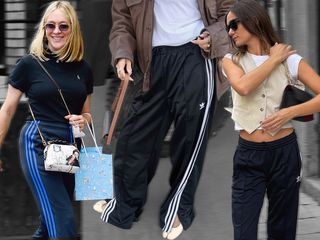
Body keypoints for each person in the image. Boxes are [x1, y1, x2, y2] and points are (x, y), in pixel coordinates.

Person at [93, 0, 235, 239]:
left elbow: (232, 12)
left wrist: (213, 36)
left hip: (195, 54)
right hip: (152, 59)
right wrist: (123, 53)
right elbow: (122, 21)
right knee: (134, 135)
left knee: (191, 138)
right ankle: (125, 203)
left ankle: (179, 207)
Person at [222, 1, 320, 239]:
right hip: (248, 156)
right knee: (243, 232)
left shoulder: (292, 60)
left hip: (284, 153)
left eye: (234, 24)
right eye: (228, 28)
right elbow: (244, 87)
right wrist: (273, 60)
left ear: (254, 20)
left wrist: (290, 113)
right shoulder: (229, 61)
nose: (230, 32)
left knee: (283, 230)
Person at [0, 1, 93, 239]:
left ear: (73, 29)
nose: (56, 31)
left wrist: (82, 120)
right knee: (64, 222)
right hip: (38, 144)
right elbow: (8, 109)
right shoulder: (29, 64)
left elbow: (87, 113)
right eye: (50, 25)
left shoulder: (84, 68)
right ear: (43, 29)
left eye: (63, 26)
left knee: (49, 222)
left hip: (71, 149)